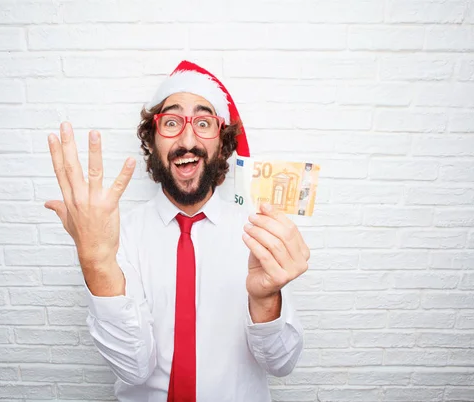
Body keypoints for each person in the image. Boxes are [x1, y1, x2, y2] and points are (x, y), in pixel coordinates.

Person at [45, 61, 309, 402]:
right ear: (152, 142)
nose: (187, 139)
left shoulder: (259, 233)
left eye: (203, 123)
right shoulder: (115, 235)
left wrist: (266, 298)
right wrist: (97, 263)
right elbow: (133, 368)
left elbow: (281, 364)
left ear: (223, 143)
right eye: (171, 122)